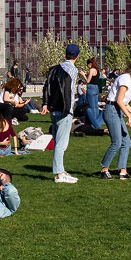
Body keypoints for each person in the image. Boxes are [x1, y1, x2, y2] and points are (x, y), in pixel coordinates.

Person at [100, 59, 131, 179]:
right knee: (117, 142)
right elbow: (119, 101)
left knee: (126, 142)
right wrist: (129, 117)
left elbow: (124, 103)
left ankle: (123, 171)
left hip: (117, 111)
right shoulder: (125, 79)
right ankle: (104, 169)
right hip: (112, 110)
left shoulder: (127, 80)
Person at [50, 44, 80, 184]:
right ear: (77, 56)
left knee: (58, 142)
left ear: (65, 54)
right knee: (61, 144)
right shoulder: (73, 70)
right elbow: (68, 90)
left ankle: (60, 170)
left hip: (54, 108)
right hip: (65, 109)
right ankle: (59, 174)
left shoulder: (55, 69)